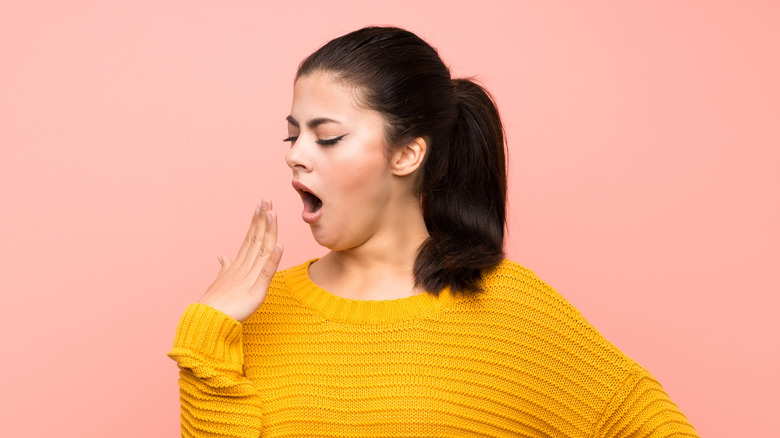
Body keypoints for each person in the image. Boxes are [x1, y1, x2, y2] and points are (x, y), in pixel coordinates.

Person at [168, 26, 700, 437]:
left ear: (406, 153)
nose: (296, 156)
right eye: (292, 135)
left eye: (326, 137)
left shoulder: (509, 308)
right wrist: (209, 329)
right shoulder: (255, 313)